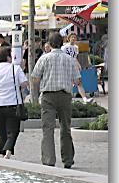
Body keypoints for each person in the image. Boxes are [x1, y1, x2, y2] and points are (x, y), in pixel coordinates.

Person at [31, 31, 88, 169]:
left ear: (49, 44)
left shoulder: (44, 59)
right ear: (62, 43)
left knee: (48, 129)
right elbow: (77, 80)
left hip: (48, 96)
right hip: (65, 96)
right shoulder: (69, 59)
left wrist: (42, 83)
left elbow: (35, 78)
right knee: (65, 128)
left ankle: (49, 160)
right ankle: (67, 159)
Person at [0, 46, 29, 159]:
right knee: (13, 130)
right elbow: (24, 83)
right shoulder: (15, 69)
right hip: (13, 104)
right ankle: (8, 151)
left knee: (1, 132)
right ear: (8, 57)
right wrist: (17, 86)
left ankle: (3, 153)